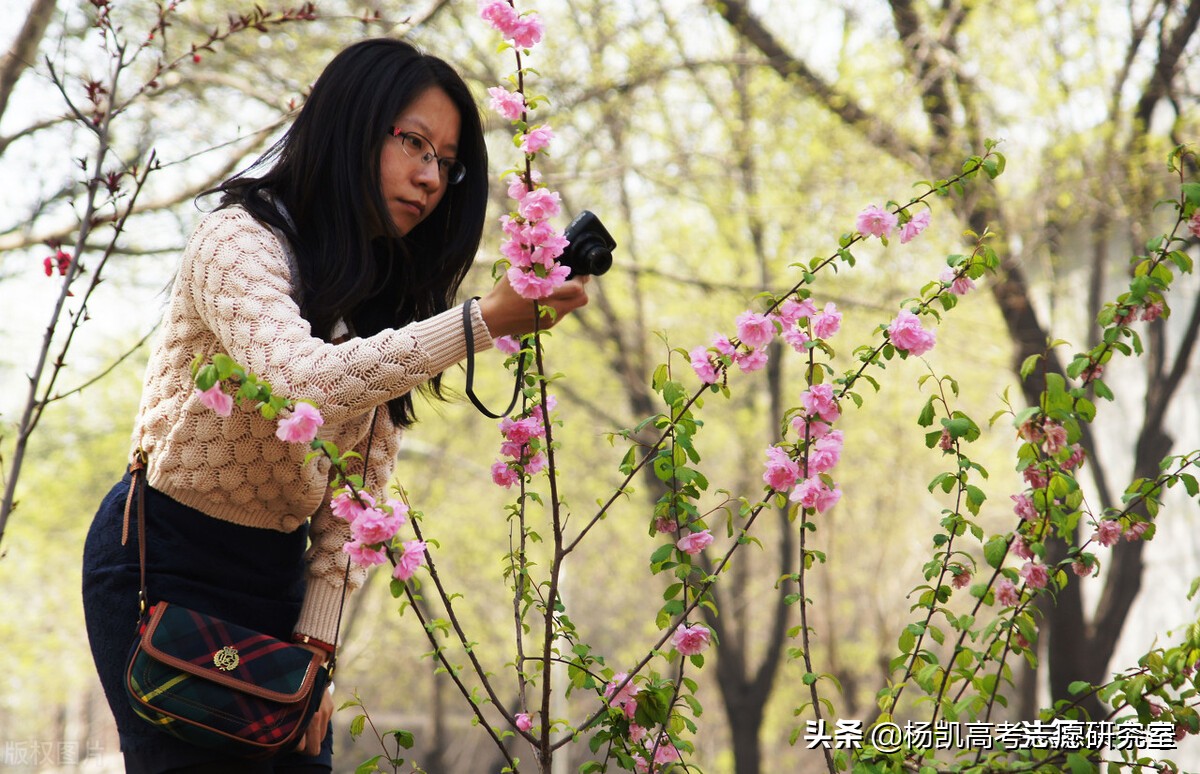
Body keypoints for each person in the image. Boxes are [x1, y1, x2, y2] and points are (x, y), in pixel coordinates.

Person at [81, 37, 588, 774]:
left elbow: (356, 496)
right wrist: (481, 323)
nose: (430, 177)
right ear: (353, 125)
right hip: (164, 560)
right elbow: (304, 381)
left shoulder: (381, 294)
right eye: (413, 142)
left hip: (277, 581)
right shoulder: (238, 239)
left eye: (447, 163)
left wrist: (318, 648)